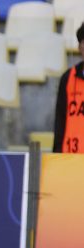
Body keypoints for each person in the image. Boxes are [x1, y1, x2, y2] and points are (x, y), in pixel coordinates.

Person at [53, 22, 84, 153]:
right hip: (70, 159)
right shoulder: (67, 78)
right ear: (79, 47)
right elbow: (60, 121)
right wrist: (57, 154)